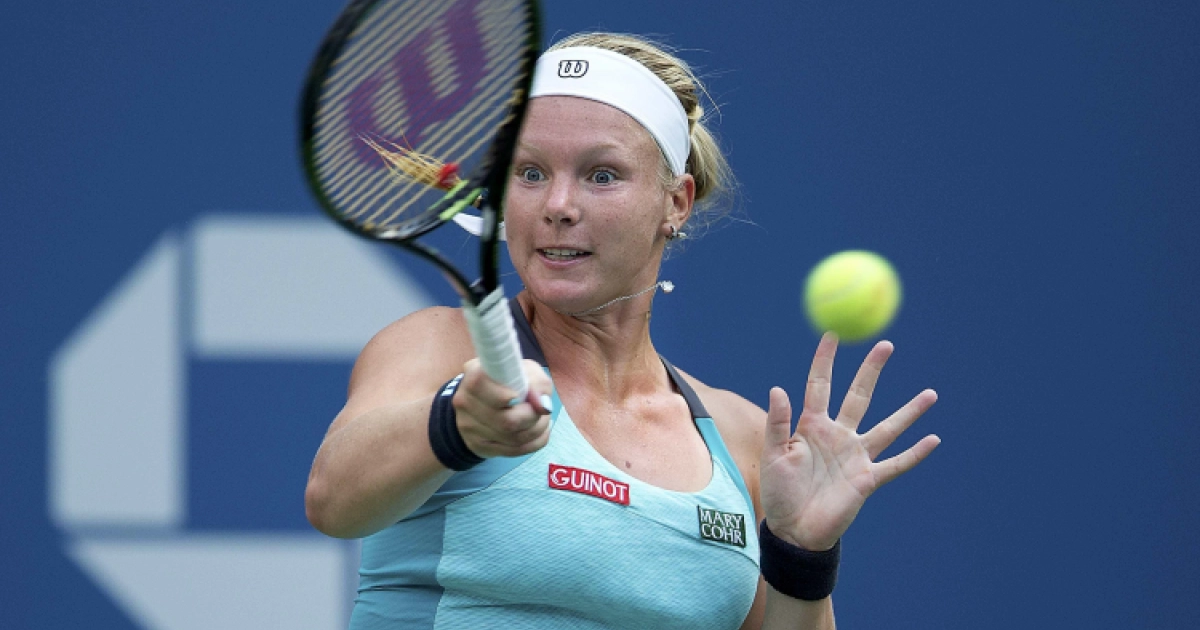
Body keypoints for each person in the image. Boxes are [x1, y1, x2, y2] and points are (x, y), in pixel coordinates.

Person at [305, 31, 941, 630]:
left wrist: (802, 557)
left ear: (676, 202)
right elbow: (333, 500)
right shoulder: (439, 347)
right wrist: (456, 423)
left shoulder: (744, 437)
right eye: (530, 173)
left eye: (601, 175)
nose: (557, 206)